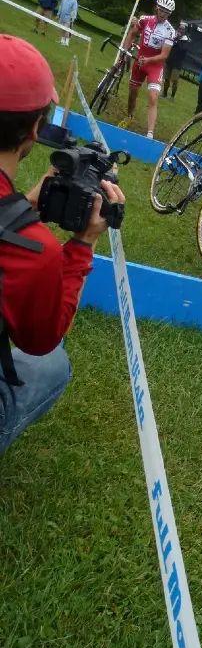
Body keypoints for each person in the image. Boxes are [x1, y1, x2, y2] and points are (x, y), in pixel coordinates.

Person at [0, 35, 125, 454]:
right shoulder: (32, 252)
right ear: (35, 129)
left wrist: (24, 205)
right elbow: (42, 340)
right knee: (52, 364)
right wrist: (83, 244)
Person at [118, 0, 176, 139]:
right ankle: (129, 116)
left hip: (155, 66)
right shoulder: (145, 20)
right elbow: (132, 34)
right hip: (139, 61)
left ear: (169, 14)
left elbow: (164, 55)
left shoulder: (170, 31)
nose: (163, 14)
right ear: (157, 8)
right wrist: (124, 52)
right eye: (161, 10)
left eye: (166, 12)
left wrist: (149, 60)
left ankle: (150, 133)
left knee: (153, 97)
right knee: (132, 94)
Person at [161, 21, 191, 100]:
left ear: (185, 31)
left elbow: (182, 49)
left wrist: (178, 40)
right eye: (180, 28)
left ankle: (172, 96)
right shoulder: (173, 36)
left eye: (182, 29)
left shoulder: (186, 40)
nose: (180, 30)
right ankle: (164, 93)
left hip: (177, 64)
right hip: (169, 61)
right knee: (166, 78)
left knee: (174, 80)